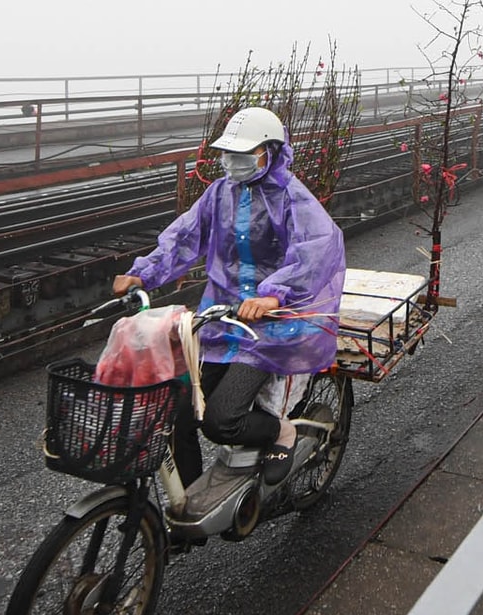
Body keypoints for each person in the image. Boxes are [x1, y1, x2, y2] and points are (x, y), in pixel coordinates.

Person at [111, 106, 345, 489]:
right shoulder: (219, 194)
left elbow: (318, 251)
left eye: (243, 154)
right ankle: (185, 507)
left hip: (274, 326)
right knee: (179, 411)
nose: (232, 163)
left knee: (222, 420)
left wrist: (273, 297)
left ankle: (281, 432)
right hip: (222, 319)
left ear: (269, 152)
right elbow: (183, 237)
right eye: (228, 154)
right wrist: (143, 273)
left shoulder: (292, 198)